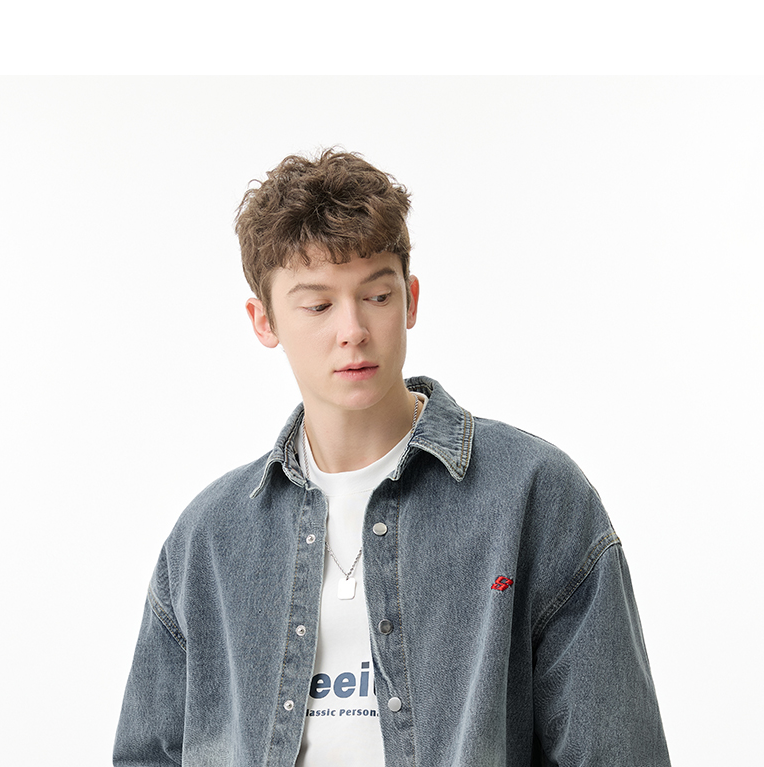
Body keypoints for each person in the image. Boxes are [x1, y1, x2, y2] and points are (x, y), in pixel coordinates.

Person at [113, 149, 670, 766]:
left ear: (410, 300)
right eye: (318, 305)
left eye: (376, 295)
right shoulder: (209, 538)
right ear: (263, 320)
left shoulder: (534, 496)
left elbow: (618, 752)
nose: (352, 329)